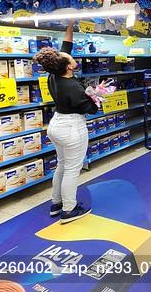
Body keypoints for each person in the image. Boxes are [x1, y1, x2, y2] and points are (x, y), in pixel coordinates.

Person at [33, 22, 108, 224]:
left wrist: (71, 24)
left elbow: (66, 46)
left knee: (62, 165)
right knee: (72, 169)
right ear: (69, 66)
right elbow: (91, 109)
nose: (68, 54)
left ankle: (56, 204)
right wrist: (99, 93)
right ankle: (69, 209)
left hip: (56, 124)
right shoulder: (73, 87)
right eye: (69, 57)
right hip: (72, 127)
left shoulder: (54, 74)